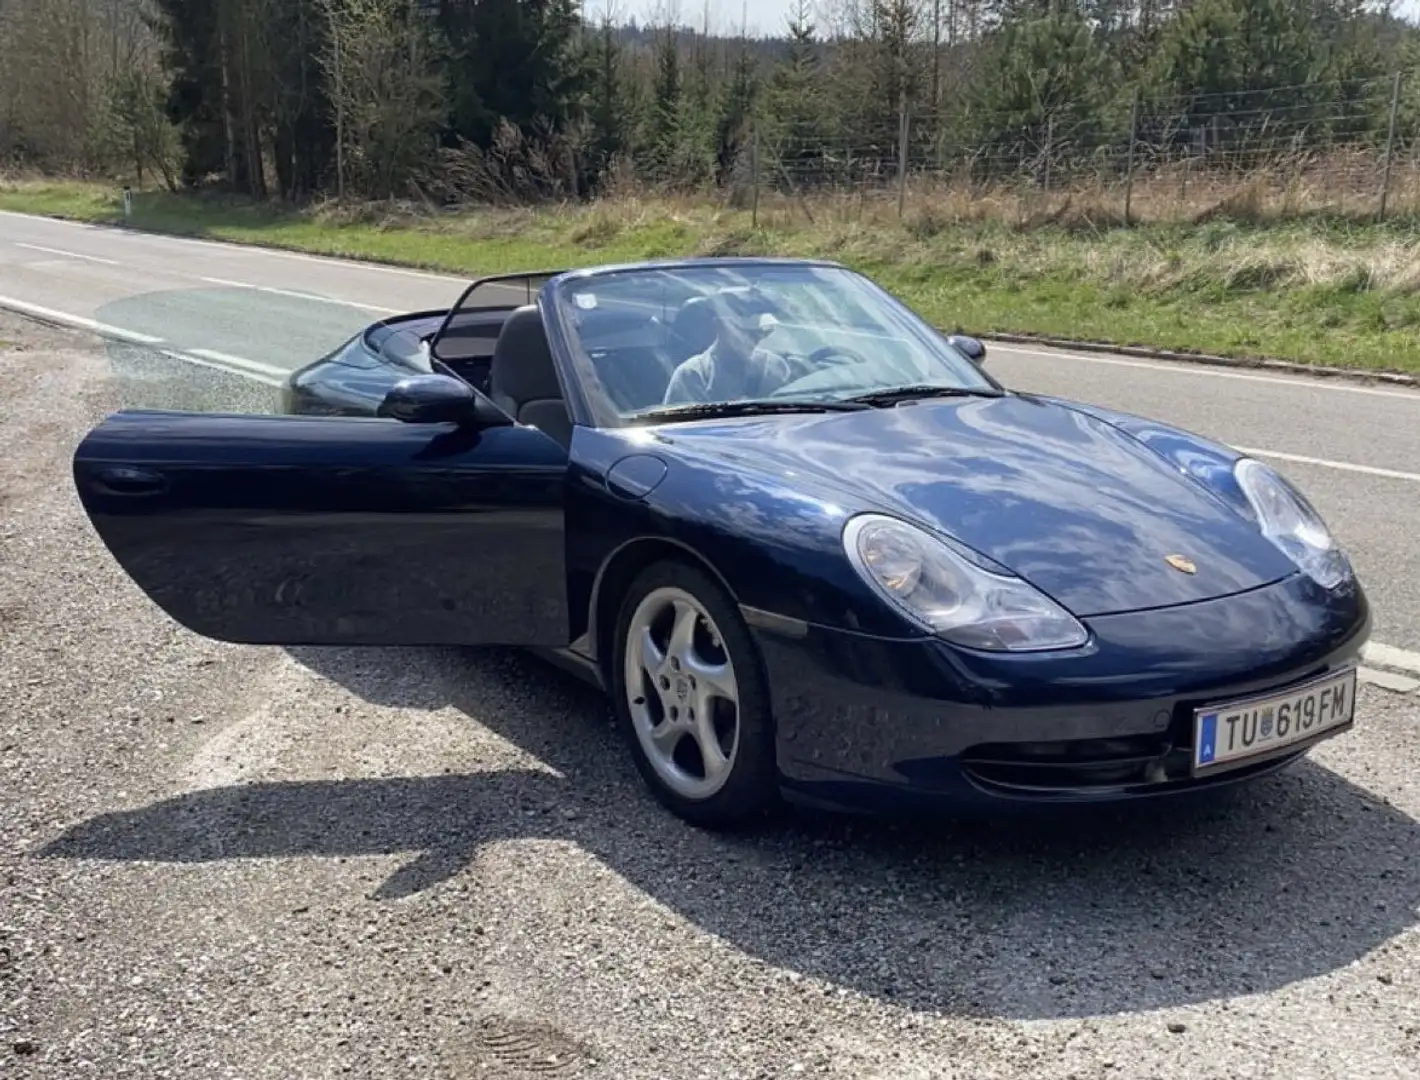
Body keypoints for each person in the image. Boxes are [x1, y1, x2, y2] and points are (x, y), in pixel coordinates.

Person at [661, 291, 794, 405]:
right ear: (720, 326)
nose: (754, 339)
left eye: (759, 332)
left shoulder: (775, 366)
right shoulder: (692, 375)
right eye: (744, 332)